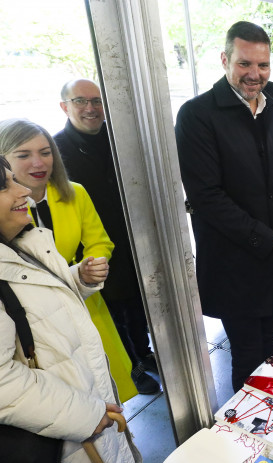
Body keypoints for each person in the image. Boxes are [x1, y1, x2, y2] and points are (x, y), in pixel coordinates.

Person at [175, 21, 273, 392]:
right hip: (235, 265)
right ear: (225, 60)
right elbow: (208, 199)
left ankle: (268, 424)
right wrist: (271, 239)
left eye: (263, 66)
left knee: (270, 347)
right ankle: (246, 438)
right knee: (249, 359)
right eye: (244, 64)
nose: (255, 74)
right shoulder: (197, 115)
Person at [0, 156, 141, 462]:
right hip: (67, 432)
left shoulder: (23, 244)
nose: (22, 190)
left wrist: (77, 277)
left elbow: (37, 304)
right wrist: (85, 414)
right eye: (5, 184)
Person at [0, 118, 148, 400]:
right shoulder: (7, 210)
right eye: (23, 154)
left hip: (84, 304)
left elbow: (99, 240)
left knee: (108, 392)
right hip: (37, 323)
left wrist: (92, 265)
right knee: (73, 399)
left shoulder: (74, 192)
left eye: (45, 152)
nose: (38, 162)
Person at [53, 78, 160, 395]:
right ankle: (133, 368)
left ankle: (144, 352)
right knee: (114, 313)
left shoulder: (119, 140)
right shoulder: (57, 151)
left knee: (139, 304)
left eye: (97, 101)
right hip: (93, 248)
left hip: (132, 240)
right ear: (64, 106)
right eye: (81, 101)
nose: (91, 108)